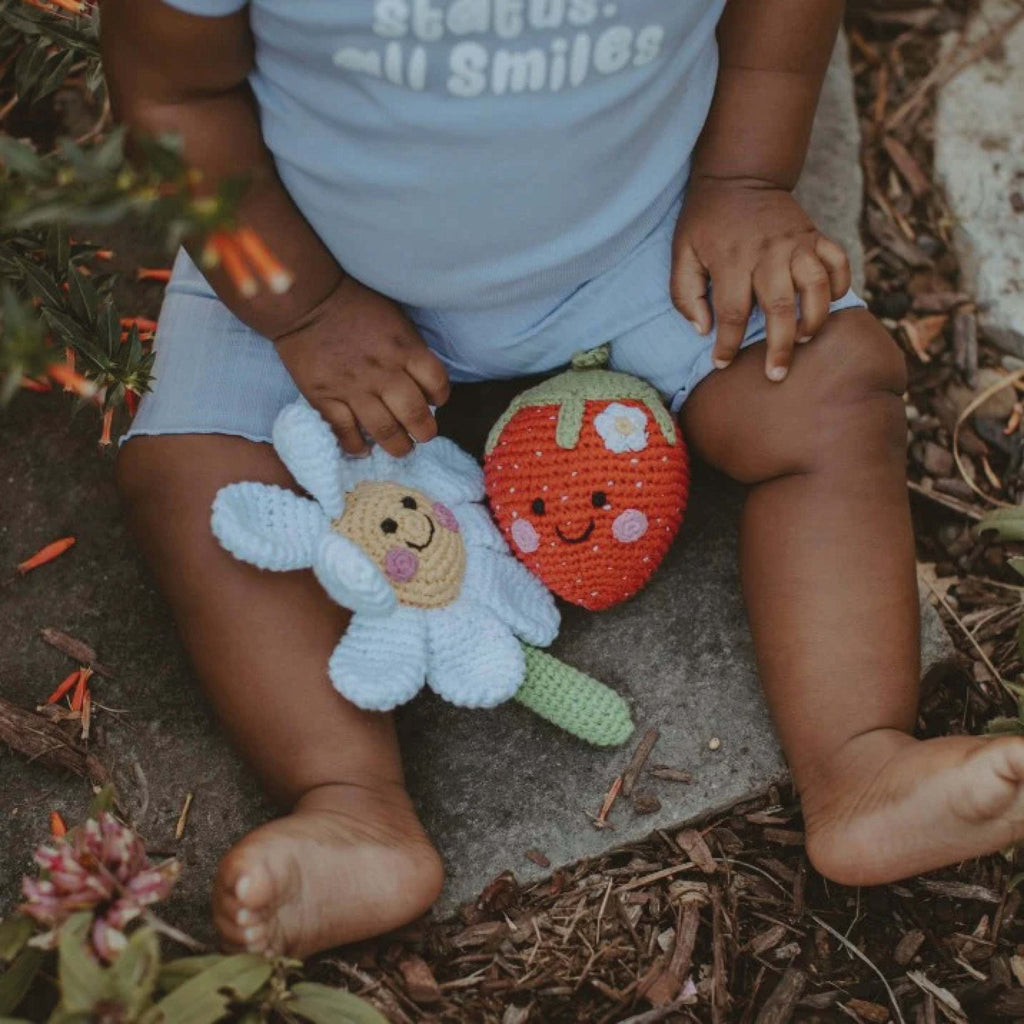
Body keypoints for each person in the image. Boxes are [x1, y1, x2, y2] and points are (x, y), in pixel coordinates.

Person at [101, 0, 1024, 958]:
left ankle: (862, 763)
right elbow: (174, 96)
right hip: (302, 258)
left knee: (828, 386)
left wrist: (746, 179)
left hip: (641, 242)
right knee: (196, 478)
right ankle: (348, 804)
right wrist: (300, 308)